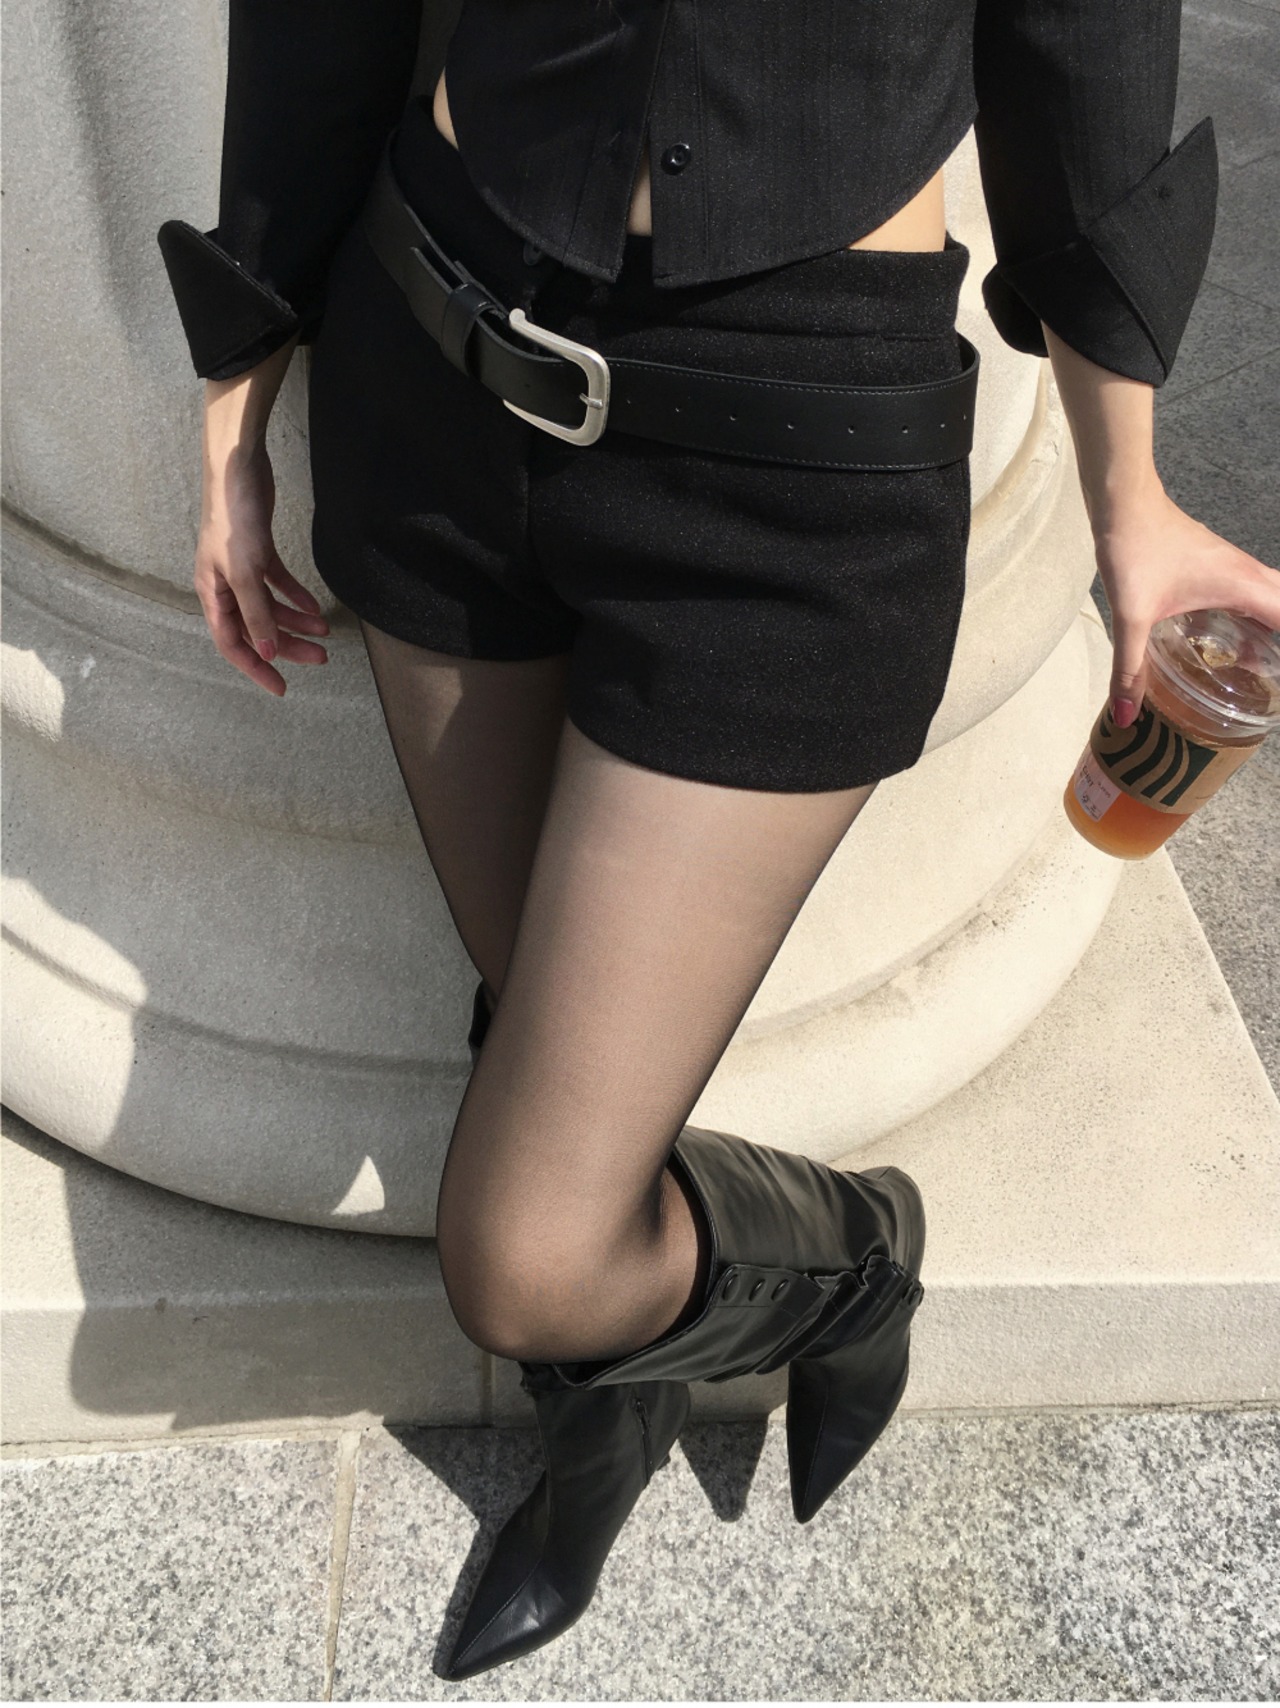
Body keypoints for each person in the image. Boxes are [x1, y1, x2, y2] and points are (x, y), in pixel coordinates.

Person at [157, 0, 1280, 1680]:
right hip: (436, 361)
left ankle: (850, 1263)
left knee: (527, 1259)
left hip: (796, 455)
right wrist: (237, 385)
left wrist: (1130, 495)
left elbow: (1086, 46)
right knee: (535, 1024)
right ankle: (607, 1420)